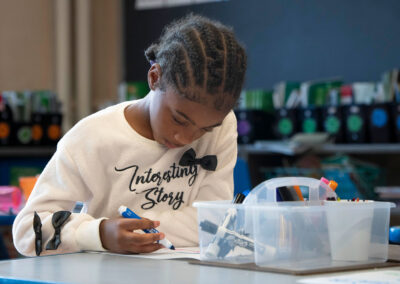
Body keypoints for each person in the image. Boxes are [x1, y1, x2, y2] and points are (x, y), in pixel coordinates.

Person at [12, 13, 247, 256]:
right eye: (179, 119)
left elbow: (212, 223)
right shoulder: (91, 137)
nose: (185, 139)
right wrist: (99, 233)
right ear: (154, 78)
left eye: (205, 129)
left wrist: (129, 229)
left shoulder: (223, 125)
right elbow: (28, 231)